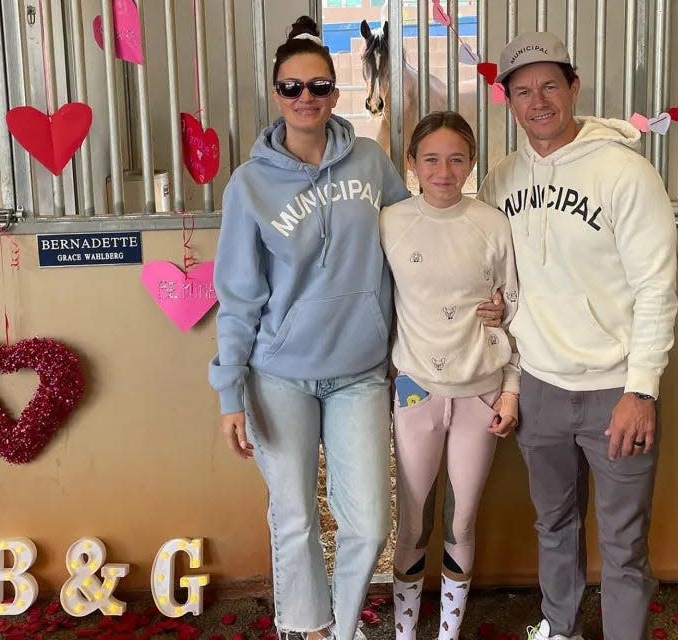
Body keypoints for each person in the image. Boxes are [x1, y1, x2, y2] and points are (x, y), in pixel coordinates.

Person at [209, 17, 504, 640]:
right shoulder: (250, 185)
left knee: (368, 523)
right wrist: (229, 391)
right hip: (279, 375)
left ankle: (344, 628)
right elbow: (236, 295)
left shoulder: (369, 162)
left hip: (362, 374)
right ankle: (309, 630)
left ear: (334, 92)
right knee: (295, 518)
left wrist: (483, 291)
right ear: (276, 94)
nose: (306, 98)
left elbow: (418, 235)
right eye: (293, 88)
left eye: (318, 86)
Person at [477, 32, 678, 640]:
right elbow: (497, 278)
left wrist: (641, 390)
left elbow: (656, 289)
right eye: (521, 91)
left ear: (574, 88)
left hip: (615, 391)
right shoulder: (499, 180)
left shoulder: (627, 173)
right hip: (538, 387)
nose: (537, 101)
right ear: (507, 102)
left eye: (549, 86)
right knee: (554, 524)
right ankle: (558, 626)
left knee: (623, 541)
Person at [379, 111, 520, 640]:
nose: (444, 171)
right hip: (415, 391)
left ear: (471, 163)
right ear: (411, 162)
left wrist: (511, 389)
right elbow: (373, 306)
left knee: (461, 519)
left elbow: (517, 308)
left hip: (480, 394)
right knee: (412, 520)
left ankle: (448, 632)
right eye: (431, 159)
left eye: (456, 159)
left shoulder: (492, 223)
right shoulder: (390, 222)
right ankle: (404, 631)